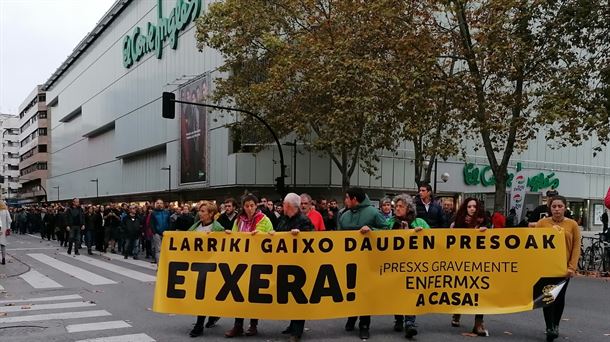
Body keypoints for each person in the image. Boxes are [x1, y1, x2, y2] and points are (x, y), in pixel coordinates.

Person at [338, 187, 389, 340]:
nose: (345, 201)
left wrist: (372, 230)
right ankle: (352, 317)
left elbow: (387, 231)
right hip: (350, 261)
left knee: (365, 292)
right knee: (351, 290)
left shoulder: (373, 213)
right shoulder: (344, 215)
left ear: (354, 199)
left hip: (368, 261)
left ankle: (364, 324)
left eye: (347, 198)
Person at [225, 194, 273, 338]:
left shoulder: (264, 220)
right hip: (241, 261)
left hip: (257, 261)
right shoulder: (239, 219)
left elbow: (272, 237)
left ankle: (253, 325)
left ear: (256, 205)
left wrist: (262, 235)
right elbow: (234, 235)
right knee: (239, 295)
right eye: (247, 206)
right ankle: (238, 325)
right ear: (243, 207)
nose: (250, 208)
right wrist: (229, 234)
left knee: (253, 294)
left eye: (252, 205)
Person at [535, 195, 581, 341]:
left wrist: (572, 267)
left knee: (559, 297)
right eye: (554, 206)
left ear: (565, 207)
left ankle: (556, 324)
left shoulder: (572, 225)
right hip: (546, 267)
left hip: (564, 268)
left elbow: (576, 247)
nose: (556, 209)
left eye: (560, 206)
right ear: (550, 208)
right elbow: (534, 244)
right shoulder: (542, 223)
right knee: (548, 296)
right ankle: (549, 327)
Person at [387, 194, 429, 338]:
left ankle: (410, 322)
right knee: (396, 292)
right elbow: (379, 235)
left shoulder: (420, 223)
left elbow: (433, 239)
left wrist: (419, 233)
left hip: (413, 265)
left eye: (401, 206)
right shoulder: (390, 222)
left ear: (409, 209)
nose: (397, 209)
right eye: (396, 206)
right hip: (394, 263)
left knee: (411, 292)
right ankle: (398, 319)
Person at [275, 193, 314, 342]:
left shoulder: (304, 221)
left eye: (284, 204)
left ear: (289, 206)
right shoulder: (284, 218)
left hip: (300, 265)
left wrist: (301, 235)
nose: (282, 206)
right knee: (291, 297)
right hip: (285, 263)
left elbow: (311, 240)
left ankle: (297, 331)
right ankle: (292, 326)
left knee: (298, 297)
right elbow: (279, 233)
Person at [450, 197, 489, 336]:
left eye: (474, 206)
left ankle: (478, 324)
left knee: (480, 291)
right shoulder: (458, 223)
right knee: (461, 288)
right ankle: (457, 312)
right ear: (465, 208)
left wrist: (487, 232)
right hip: (462, 261)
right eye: (469, 206)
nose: (472, 209)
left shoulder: (484, 222)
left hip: (480, 262)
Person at [187, 200, 224, 337]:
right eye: (199, 211)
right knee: (201, 295)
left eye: (203, 211)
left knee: (209, 294)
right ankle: (203, 321)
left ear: (211, 214)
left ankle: (202, 322)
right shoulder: (194, 228)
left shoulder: (218, 229)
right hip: (198, 266)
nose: (200, 213)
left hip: (213, 267)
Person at [151, 199, 171, 264]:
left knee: (166, 249)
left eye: (161, 203)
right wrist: (155, 232)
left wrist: (169, 231)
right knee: (158, 250)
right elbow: (152, 224)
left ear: (163, 204)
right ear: (156, 204)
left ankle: (165, 263)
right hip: (157, 234)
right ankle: (159, 265)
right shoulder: (153, 213)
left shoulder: (167, 212)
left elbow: (169, 222)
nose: (159, 204)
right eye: (158, 203)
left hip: (166, 234)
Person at [0, 200, 12, 265]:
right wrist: (8, 228)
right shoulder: (5, 209)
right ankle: (3, 259)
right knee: (3, 245)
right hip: (3, 230)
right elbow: (9, 220)